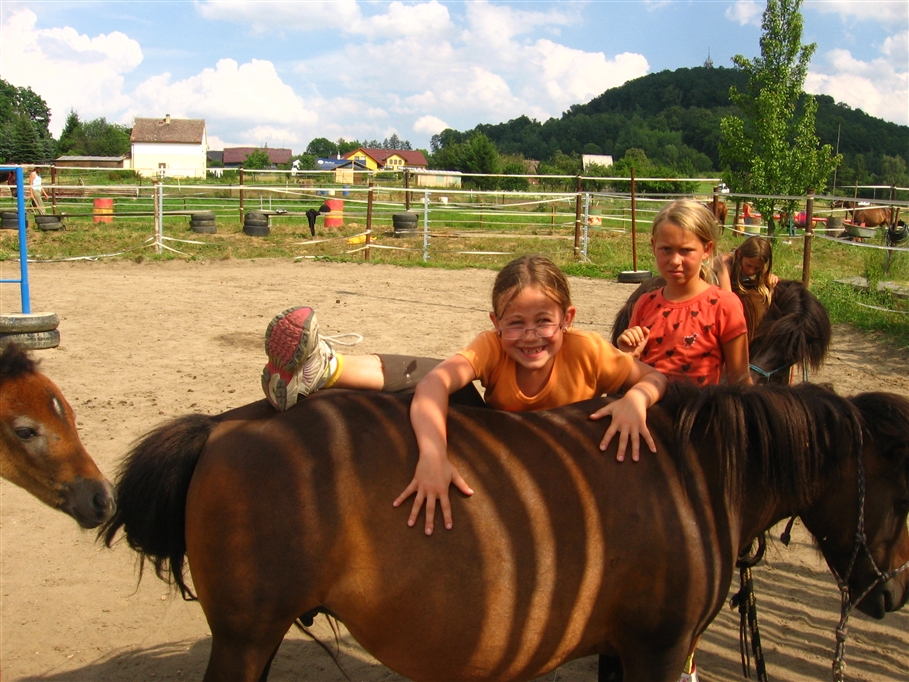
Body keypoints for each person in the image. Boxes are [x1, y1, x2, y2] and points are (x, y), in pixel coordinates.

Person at [262, 255, 667, 535]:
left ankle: (325, 368)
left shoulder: (589, 350)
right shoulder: (492, 346)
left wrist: (635, 399)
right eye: (515, 323)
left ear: (568, 319)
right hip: (500, 445)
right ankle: (324, 370)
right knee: (434, 373)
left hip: (562, 464)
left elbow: (656, 378)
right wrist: (433, 454)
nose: (530, 335)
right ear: (495, 323)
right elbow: (434, 385)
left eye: (544, 321)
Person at [617, 199, 753, 387]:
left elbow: (740, 379)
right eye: (666, 249)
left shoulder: (724, 305)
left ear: (707, 250)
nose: (675, 260)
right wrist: (627, 356)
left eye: (686, 250)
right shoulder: (645, 303)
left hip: (697, 413)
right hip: (648, 409)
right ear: (653, 247)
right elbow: (629, 376)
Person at [717, 235, 779, 337]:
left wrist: (770, 277)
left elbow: (765, 277)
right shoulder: (724, 263)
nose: (751, 271)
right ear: (739, 254)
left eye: (756, 268)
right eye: (748, 265)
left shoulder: (755, 262)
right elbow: (727, 297)